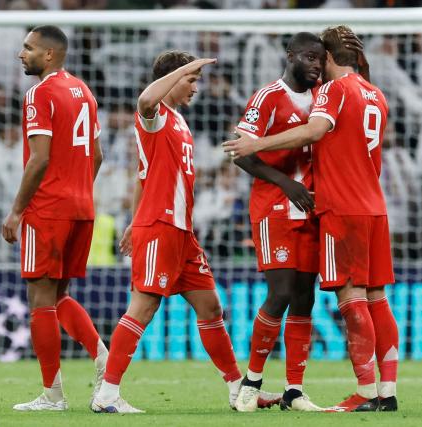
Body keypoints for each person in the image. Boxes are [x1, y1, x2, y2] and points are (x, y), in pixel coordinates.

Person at [90, 51, 280, 414]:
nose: (196, 87)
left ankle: (236, 387)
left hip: (181, 231)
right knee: (144, 307)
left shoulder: (178, 121)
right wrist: (142, 220)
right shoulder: (156, 115)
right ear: (173, 79)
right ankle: (107, 395)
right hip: (161, 227)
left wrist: (132, 219)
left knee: (211, 307)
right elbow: (145, 99)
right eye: (190, 80)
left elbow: (144, 176)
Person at [223, 26, 399, 412]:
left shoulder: (327, 94)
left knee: (308, 300)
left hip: (326, 209)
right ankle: (251, 383)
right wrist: (286, 183)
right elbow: (240, 150)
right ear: (290, 56)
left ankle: (295, 389)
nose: (316, 66)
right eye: (309, 58)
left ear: (330, 58)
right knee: (286, 294)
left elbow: (317, 129)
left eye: (321, 58)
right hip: (281, 207)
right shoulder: (272, 96)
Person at [1, 25, 108, 412]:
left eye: (28, 48)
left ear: (49, 55)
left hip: (47, 210)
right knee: (59, 294)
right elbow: (97, 156)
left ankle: (52, 395)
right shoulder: (84, 92)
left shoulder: (39, 94)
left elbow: (39, 158)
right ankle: (101, 356)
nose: (21, 54)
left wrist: (16, 210)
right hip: (82, 207)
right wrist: (75, 189)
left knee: (40, 298)